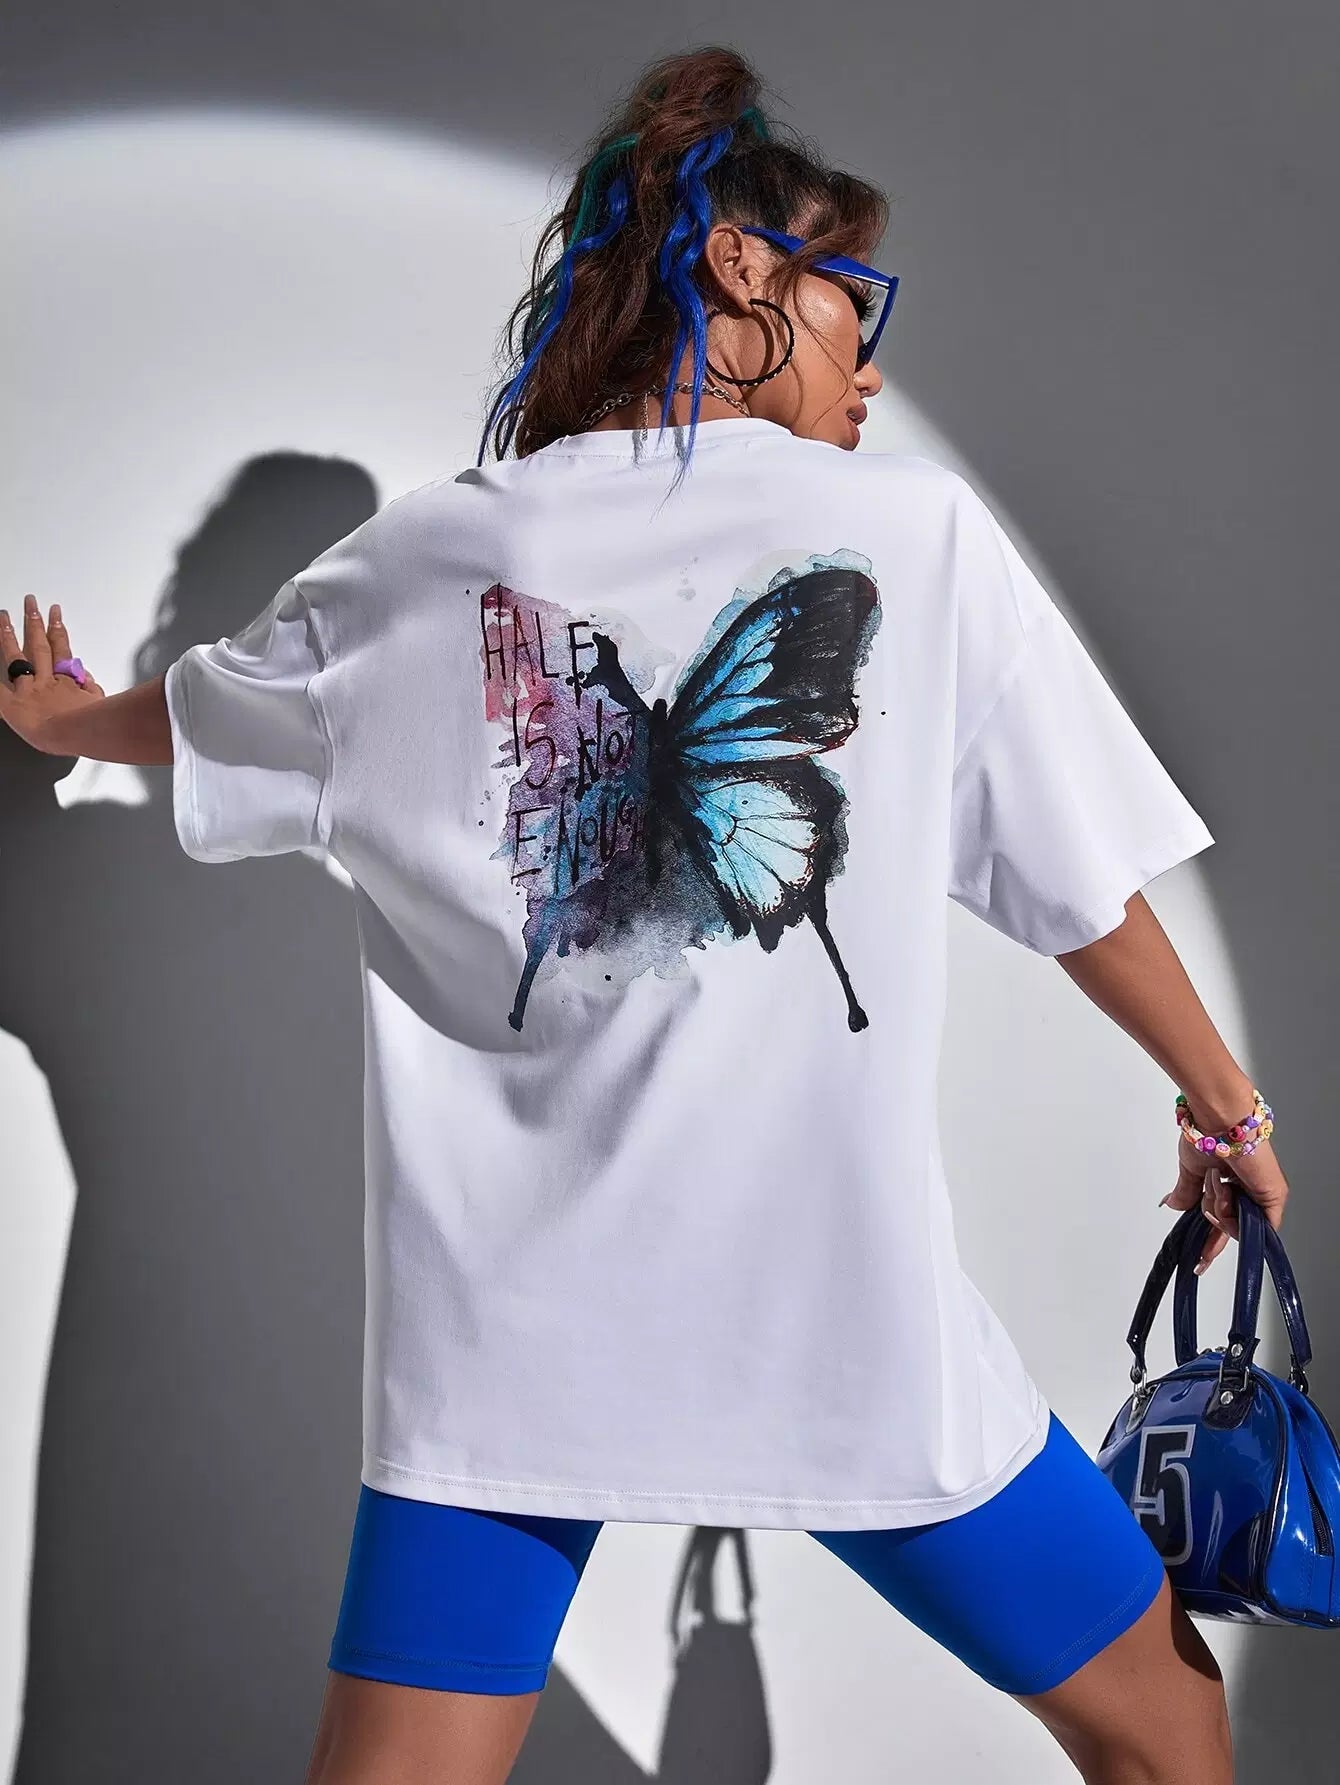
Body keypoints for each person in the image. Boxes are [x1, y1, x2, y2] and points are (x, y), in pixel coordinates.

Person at [0, 43, 1288, 1785]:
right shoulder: (910, 537)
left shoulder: (426, 562)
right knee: (1165, 1720)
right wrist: (1227, 1107)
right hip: (844, 1330)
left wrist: (59, 722)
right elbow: (1081, 884)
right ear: (743, 269)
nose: (870, 359)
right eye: (850, 300)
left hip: (507, 1352)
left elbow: (203, 710)